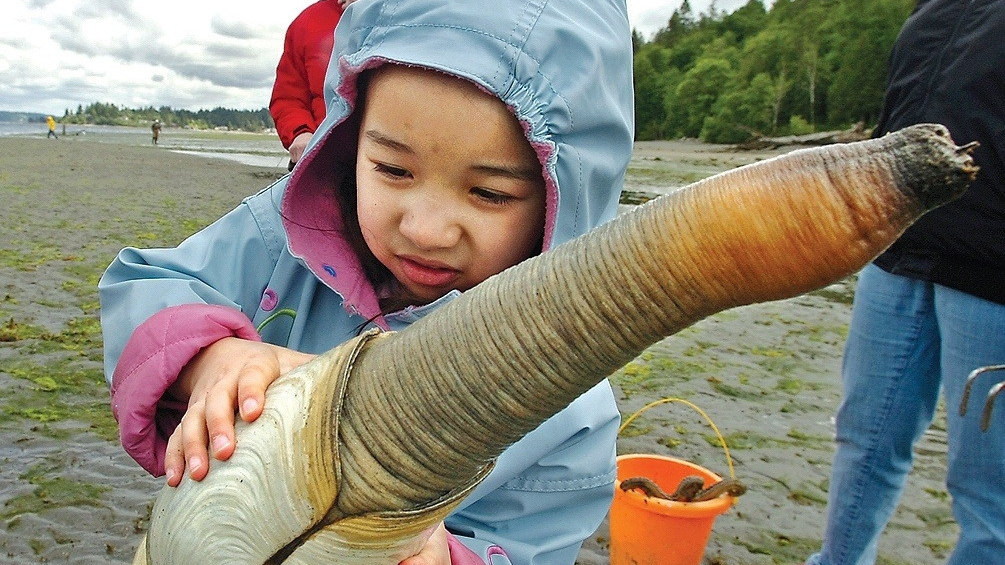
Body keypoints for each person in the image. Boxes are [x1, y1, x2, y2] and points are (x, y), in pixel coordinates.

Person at [98, 1, 634, 564]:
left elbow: (533, 545)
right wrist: (208, 361)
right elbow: (143, 285)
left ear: (564, 198)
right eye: (393, 170)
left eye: (490, 193)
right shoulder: (284, 235)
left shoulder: (568, 404)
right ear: (351, 140)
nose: (425, 230)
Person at [805, 1, 1005, 564]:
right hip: (896, 247)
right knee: (864, 440)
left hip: (993, 267)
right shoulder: (935, 6)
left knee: (988, 487)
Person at [269, 0, 352, 170]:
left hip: (396, 160)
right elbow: (288, 98)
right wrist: (300, 133)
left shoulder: (413, 12)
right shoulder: (306, 23)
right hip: (325, 158)